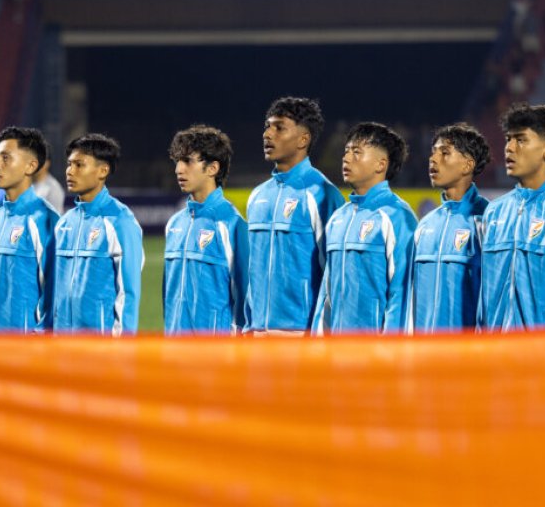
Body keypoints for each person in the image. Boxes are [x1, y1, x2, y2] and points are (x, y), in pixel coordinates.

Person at [478, 103, 545, 332]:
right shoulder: (494, 211)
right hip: (492, 350)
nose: (509, 148)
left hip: (538, 351)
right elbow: (484, 296)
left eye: (521, 140)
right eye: (508, 139)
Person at [244, 96, 344, 336]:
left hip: (301, 335)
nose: (268, 134)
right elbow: (252, 271)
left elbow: (335, 273)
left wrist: (322, 334)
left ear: (303, 139)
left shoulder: (322, 194)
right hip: (257, 333)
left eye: (279, 128)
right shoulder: (257, 196)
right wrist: (247, 327)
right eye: (267, 127)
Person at [311, 122, 417, 335]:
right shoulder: (338, 218)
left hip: (374, 350)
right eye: (346, 151)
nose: (346, 158)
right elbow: (327, 292)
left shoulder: (398, 216)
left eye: (356, 152)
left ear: (381, 164)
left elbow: (403, 295)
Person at [0, 127, 58, 333]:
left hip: (24, 347)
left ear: (30, 166)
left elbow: (55, 293)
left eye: (5, 158)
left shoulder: (45, 220)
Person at [52, 133, 144, 335]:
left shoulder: (120, 221)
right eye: (69, 164)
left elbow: (128, 293)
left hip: (100, 345)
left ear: (103, 171)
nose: (70, 171)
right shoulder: (64, 223)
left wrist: (123, 345)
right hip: (61, 341)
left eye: (79, 165)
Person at [162, 124, 248, 335]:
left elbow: (246, 296)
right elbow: (167, 294)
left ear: (212, 168)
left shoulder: (232, 224)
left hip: (215, 349)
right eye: (177, 161)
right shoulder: (174, 224)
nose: (178, 169)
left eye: (187, 161)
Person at [406, 123, 491, 334]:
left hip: (467, 351)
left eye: (444, 153)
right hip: (424, 349)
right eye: (433, 152)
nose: (433, 159)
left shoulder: (486, 220)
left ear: (467, 165)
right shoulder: (425, 224)